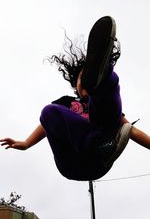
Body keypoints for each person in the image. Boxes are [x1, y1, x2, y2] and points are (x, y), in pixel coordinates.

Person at [0, 16, 150, 181]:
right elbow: (46, 124)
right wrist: (26, 143)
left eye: (88, 78)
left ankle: (105, 77)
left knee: (104, 100)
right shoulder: (66, 103)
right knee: (49, 111)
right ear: (75, 84)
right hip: (72, 162)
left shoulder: (97, 105)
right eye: (82, 79)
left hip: (102, 156)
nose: (84, 84)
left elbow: (131, 130)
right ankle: (95, 143)